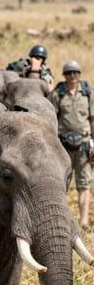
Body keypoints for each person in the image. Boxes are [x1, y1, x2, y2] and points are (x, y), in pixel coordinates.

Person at [50, 59, 94, 228]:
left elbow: (92, 120)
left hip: (83, 145)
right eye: (68, 73)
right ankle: (63, 219)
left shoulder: (88, 92)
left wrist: (92, 142)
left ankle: (83, 222)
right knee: (61, 185)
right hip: (63, 146)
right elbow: (51, 119)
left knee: (84, 184)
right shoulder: (57, 94)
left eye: (75, 72)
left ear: (79, 74)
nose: (72, 76)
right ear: (65, 75)